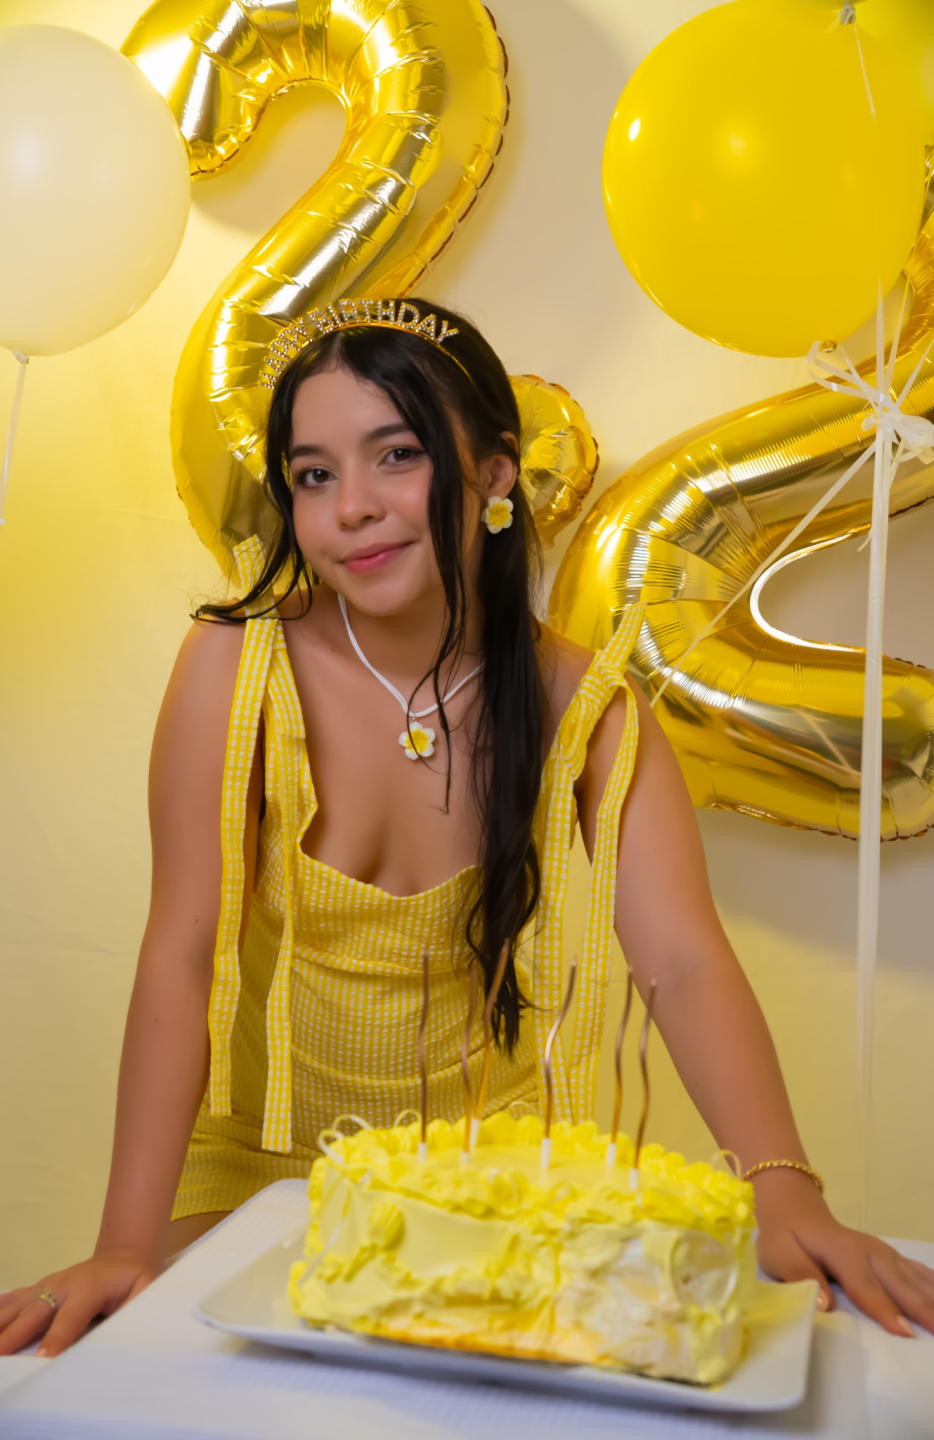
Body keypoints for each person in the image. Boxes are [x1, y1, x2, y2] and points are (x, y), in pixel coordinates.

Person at [2, 297, 933, 1358]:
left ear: (495, 473)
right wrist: (124, 1243)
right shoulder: (235, 667)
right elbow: (181, 952)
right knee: (171, 1369)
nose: (352, 507)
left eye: (395, 455)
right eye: (313, 475)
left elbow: (680, 962)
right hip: (248, 1171)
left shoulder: (585, 704)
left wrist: (783, 1188)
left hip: (485, 1182)